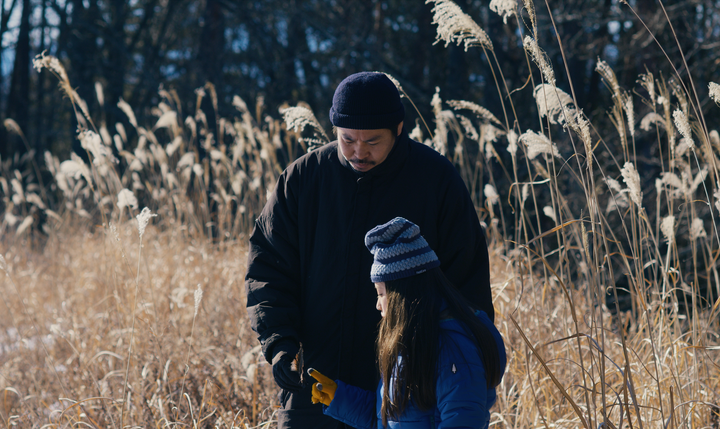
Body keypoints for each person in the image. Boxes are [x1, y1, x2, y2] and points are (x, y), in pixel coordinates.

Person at [245, 71, 494, 429]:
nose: (359, 151)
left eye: (373, 141)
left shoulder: (436, 181)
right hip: (316, 389)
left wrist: (451, 368)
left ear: (399, 128)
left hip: (407, 394)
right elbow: (267, 270)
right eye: (347, 139)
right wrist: (279, 343)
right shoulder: (303, 179)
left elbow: (465, 290)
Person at [308, 217, 505, 429]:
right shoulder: (414, 343)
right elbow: (391, 420)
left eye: (381, 293)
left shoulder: (453, 349)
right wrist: (340, 399)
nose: (377, 305)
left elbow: (464, 421)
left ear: (402, 296)